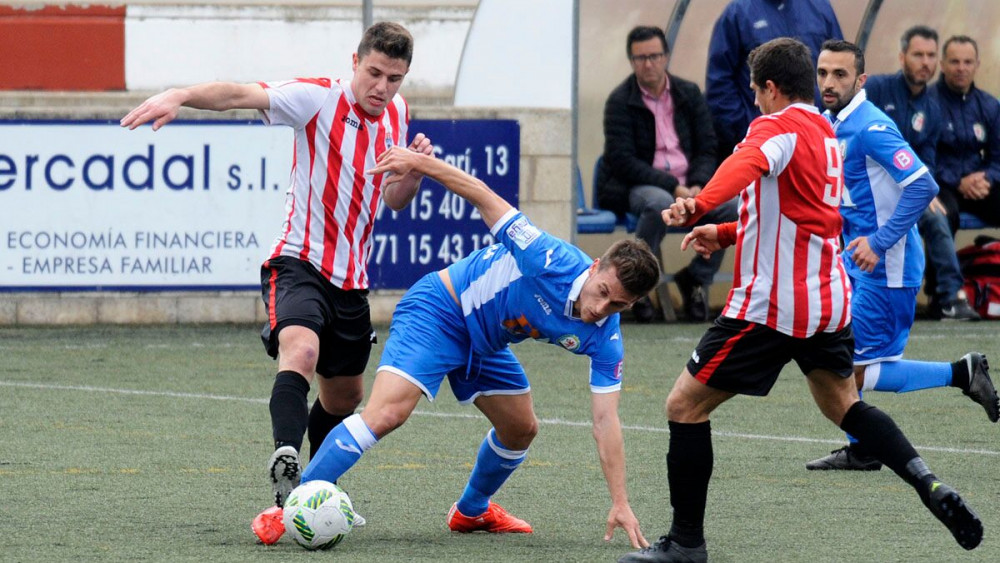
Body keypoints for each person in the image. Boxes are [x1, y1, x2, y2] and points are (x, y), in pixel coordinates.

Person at [618, 38, 983, 563]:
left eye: (755, 89)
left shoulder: (776, 126)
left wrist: (696, 204)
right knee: (845, 406)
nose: (753, 99)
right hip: (828, 300)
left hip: (770, 307)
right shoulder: (826, 133)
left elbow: (745, 165)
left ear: (770, 88)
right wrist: (722, 232)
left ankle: (685, 544)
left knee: (683, 406)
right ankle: (931, 485)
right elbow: (788, 212)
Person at [252, 146, 662, 547]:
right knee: (388, 413)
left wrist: (621, 502)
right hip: (440, 310)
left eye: (619, 305)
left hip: (484, 343)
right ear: (595, 268)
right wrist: (420, 163)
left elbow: (606, 421)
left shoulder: (606, 337)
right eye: (603, 291)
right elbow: (481, 194)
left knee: (521, 428)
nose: (600, 308)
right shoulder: (547, 256)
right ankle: (290, 505)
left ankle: (471, 511)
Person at [121, 22, 434, 513]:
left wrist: (412, 174)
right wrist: (181, 94)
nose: (382, 87)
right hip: (298, 260)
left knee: (344, 398)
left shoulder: (396, 113)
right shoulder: (317, 98)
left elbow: (393, 199)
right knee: (301, 351)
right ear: (355, 62)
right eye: (374, 72)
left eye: (394, 78)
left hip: (351, 281)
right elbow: (239, 94)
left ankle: (309, 484)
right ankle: (285, 458)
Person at [804, 40, 998, 472]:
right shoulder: (828, 122)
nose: (829, 83)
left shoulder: (872, 128)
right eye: (822, 73)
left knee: (847, 370)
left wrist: (880, 240)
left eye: (839, 74)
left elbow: (923, 186)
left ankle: (960, 375)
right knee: (846, 365)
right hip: (857, 263)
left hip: (887, 267)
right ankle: (865, 445)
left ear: (861, 80)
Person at [597, 25, 735, 322]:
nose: (648, 64)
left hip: (692, 186)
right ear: (631, 61)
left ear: (666, 56)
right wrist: (674, 188)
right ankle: (638, 286)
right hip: (643, 184)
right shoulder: (620, 101)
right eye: (640, 58)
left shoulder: (688, 93)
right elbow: (622, 160)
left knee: (734, 208)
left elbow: (708, 146)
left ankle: (697, 278)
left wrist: (698, 184)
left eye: (654, 56)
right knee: (657, 204)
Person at [865, 26, 979, 320]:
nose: (925, 62)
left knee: (937, 215)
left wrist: (922, 188)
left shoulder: (933, 106)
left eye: (930, 55)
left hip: (907, 190)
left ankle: (950, 298)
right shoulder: (876, 89)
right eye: (918, 54)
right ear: (902, 57)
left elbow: (927, 158)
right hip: (870, 189)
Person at [706, 0, 842, 163]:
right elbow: (719, 81)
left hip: (815, 139)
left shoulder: (819, 8)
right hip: (762, 145)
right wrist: (743, 130)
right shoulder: (738, 13)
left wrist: (833, 123)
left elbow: (840, 63)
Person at [933, 35, 1000, 232]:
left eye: (968, 62)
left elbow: (998, 157)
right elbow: (920, 157)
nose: (961, 68)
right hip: (940, 186)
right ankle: (940, 265)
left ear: (977, 65)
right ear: (942, 65)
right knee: (942, 216)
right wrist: (956, 181)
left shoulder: (989, 105)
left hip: (978, 185)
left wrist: (987, 178)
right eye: (955, 62)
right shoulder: (926, 103)